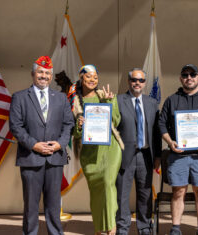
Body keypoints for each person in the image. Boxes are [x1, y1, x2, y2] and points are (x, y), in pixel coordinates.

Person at [9, 56, 74, 235]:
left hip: (55, 159)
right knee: (30, 206)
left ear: (51, 76)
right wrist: (34, 145)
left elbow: (69, 124)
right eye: (40, 72)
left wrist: (60, 144)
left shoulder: (61, 98)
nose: (44, 76)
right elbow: (16, 126)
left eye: (47, 73)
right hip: (30, 158)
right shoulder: (20, 97)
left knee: (54, 206)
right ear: (32, 74)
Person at [159, 64, 198, 235]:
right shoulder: (172, 100)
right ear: (181, 78)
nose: (189, 78)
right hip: (177, 155)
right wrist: (170, 141)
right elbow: (161, 124)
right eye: (185, 75)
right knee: (178, 191)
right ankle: (176, 228)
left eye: (192, 75)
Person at [70, 65, 123, 235]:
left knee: (108, 185)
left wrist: (109, 102)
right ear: (81, 78)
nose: (93, 80)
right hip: (90, 153)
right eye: (88, 77)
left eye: (95, 77)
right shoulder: (74, 101)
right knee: (97, 190)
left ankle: (111, 229)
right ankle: (99, 229)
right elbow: (74, 133)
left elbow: (115, 120)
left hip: (110, 150)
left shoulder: (105, 96)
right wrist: (79, 125)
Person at [115, 68, 161, 235]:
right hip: (124, 155)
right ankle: (122, 228)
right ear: (129, 81)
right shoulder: (118, 100)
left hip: (146, 155)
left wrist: (158, 156)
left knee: (145, 194)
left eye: (141, 80)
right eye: (134, 80)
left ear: (144, 83)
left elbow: (156, 131)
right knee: (122, 195)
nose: (137, 83)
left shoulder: (152, 103)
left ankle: (144, 227)